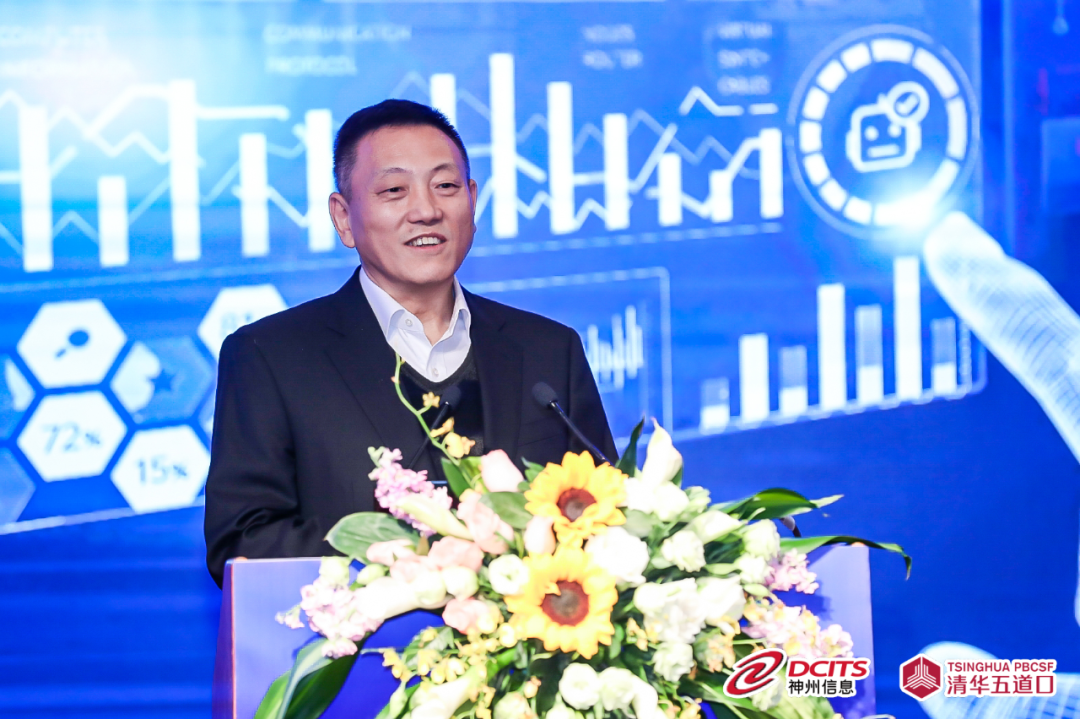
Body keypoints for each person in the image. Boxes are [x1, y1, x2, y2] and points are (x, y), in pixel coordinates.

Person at [203, 99, 616, 587]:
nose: (426, 211)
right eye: (394, 190)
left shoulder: (548, 349)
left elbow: (609, 515)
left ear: (472, 202)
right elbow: (244, 542)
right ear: (343, 217)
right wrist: (415, 557)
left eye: (445, 186)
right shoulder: (271, 357)